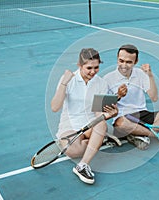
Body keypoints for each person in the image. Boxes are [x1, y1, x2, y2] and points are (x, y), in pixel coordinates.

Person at [51, 48, 126, 184]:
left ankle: (82, 165)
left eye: (96, 67)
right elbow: (55, 107)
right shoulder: (68, 80)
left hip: (91, 124)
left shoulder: (101, 83)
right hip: (70, 125)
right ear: (79, 65)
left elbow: (98, 113)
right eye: (89, 68)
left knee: (101, 124)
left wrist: (109, 115)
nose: (93, 72)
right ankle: (99, 140)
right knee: (73, 151)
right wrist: (64, 83)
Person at [103, 44, 159, 150]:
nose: (124, 65)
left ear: (135, 62)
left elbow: (154, 97)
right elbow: (103, 107)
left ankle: (138, 134)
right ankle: (158, 135)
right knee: (121, 124)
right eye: (121, 61)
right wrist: (118, 96)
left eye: (129, 62)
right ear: (117, 59)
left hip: (143, 114)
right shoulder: (108, 78)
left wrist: (150, 75)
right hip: (124, 117)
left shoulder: (140, 74)